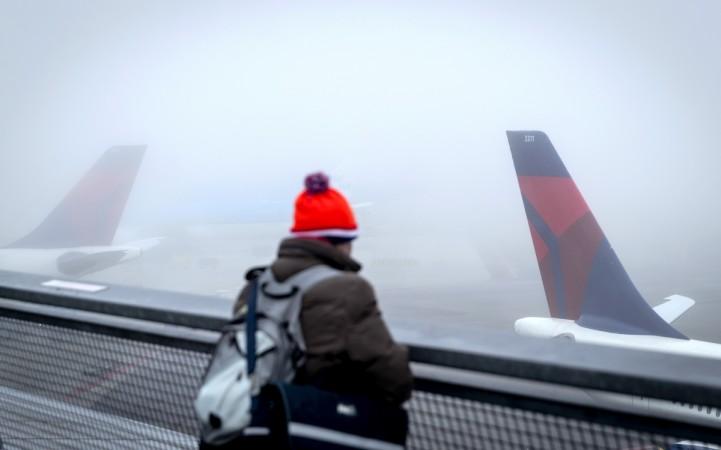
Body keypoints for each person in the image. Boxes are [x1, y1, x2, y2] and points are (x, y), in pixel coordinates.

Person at [232, 172, 413, 405]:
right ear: (341, 242)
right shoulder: (348, 289)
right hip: (312, 419)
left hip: (257, 413)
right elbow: (389, 373)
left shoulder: (256, 286)